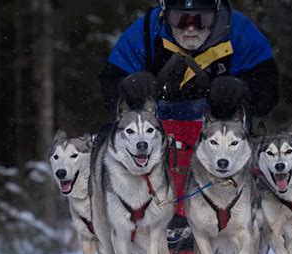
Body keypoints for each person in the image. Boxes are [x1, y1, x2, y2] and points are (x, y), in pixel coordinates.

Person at [99, 0, 279, 230]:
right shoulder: (145, 31)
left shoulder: (239, 31)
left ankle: (240, 229)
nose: (190, 27)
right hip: (158, 135)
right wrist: (127, 87)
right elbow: (110, 85)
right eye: (180, 19)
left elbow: (270, 89)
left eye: (200, 19)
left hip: (218, 135)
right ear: (165, 14)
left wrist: (244, 89)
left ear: (215, 14)